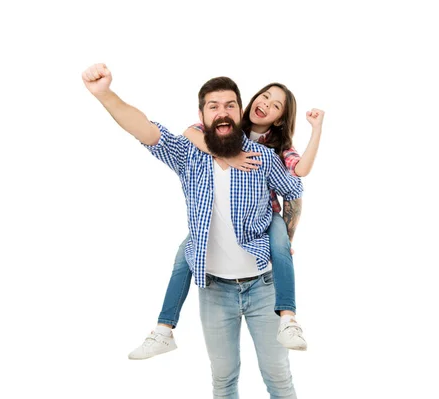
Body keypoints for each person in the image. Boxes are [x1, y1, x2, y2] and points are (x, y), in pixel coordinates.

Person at [82, 63, 302, 398]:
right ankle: (163, 330)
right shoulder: (189, 155)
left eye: (230, 105)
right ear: (202, 114)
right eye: (213, 107)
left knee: (278, 378)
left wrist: (284, 238)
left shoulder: (261, 156)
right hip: (215, 290)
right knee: (223, 380)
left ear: (240, 112)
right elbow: (144, 128)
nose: (223, 112)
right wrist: (105, 95)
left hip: (263, 287)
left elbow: (294, 192)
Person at [128, 82, 325, 359]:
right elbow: (191, 132)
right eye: (265, 96)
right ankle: (163, 328)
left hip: (267, 217)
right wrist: (226, 154)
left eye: (276, 105)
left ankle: (289, 318)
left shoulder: (277, 148)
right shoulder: (231, 125)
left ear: (280, 118)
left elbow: (298, 176)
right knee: (186, 254)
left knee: (282, 248)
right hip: (223, 222)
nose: (267, 104)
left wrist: (316, 130)